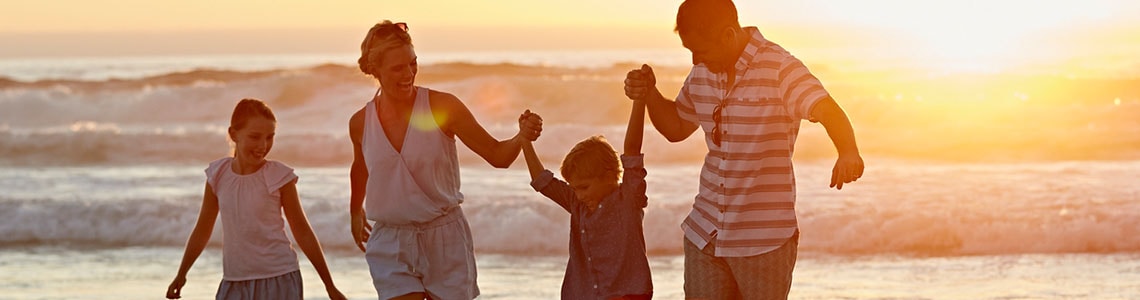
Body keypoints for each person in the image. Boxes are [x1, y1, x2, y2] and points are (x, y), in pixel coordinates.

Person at [623, 0, 866, 299]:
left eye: (701, 50)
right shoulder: (702, 72)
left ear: (728, 35)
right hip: (705, 232)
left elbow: (828, 110)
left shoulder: (781, 67)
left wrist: (848, 152)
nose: (696, 60)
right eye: (690, 51)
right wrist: (650, 94)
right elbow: (675, 127)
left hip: (763, 240)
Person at [348, 20, 543, 300]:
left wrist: (521, 136)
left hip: (445, 238)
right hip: (391, 242)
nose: (409, 73)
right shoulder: (360, 123)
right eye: (398, 68)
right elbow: (361, 167)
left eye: (413, 64)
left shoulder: (442, 107)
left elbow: (498, 157)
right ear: (375, 69)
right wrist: (356, 210)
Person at [165, 98, 346, 300]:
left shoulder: (278, 176)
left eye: (270, 137)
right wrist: (182, 274)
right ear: (233, 134)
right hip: (234, 281)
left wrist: (329, 286)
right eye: (255, 137)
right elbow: (202, 230)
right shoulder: (218, 175)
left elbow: (302, 231)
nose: (263, 145)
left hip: (279, 280)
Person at [519, 97, 652, 300]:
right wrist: (525, 139)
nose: (579, 195)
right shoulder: (576, 201)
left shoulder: (628, 198)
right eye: (574, 188)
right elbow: (541, 181)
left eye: (584, 187)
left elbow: (632, 149)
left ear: (609, 176)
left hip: (627, 294)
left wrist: (639, 100)